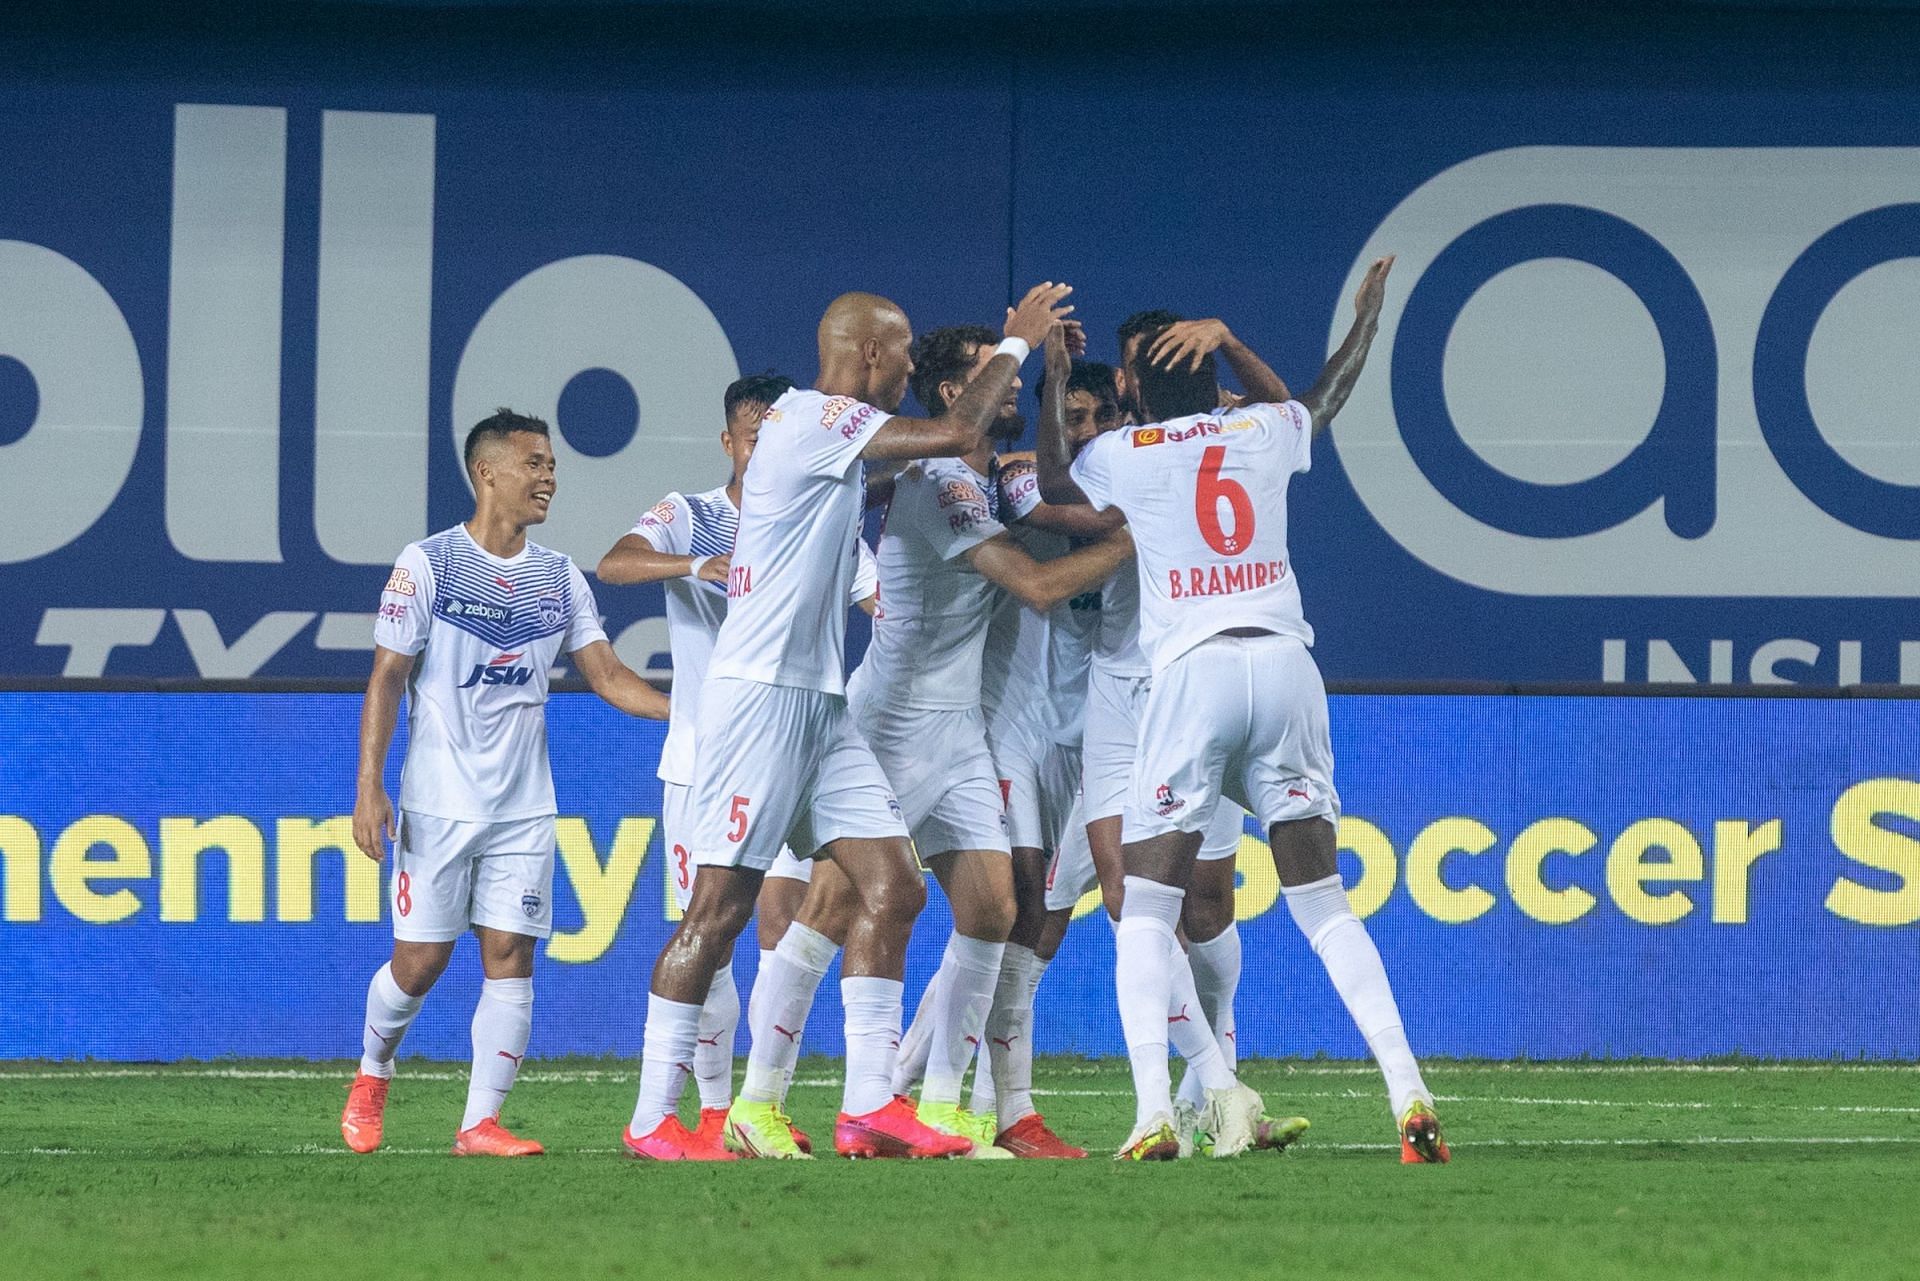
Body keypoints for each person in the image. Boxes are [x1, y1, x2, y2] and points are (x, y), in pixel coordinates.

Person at [625, 285, 1075, 1161]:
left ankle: (869, 1103)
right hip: (758, 702)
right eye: (903, 355)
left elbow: (916, 466)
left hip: (824, 705)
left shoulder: (825, 439)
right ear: (869, 354)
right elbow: (949, 434)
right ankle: (652, 1118)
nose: (910, 368)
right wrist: (1015, 345)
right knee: (715, 915)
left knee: (897, 888)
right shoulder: (807, 416)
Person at [1040, 258, 1450, 1164]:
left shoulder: (1128, 452)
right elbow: (1319, 397)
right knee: (1324, 903)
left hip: (1194, 675)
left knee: (1145, 911)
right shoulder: (1262, 431)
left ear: (1136, 386)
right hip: (1287, 665)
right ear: (1213, 373)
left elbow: (1057, 481)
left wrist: (1058, 375)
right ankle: (1408, 1089)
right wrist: (1337, 325)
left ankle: (1154, 1113)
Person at [341, 409, 671, 1157]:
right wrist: (370, 788)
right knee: (419, 963)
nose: (550, 476)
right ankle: (373, 1068)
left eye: (553, 464)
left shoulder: (558, 576)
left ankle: (478, 1123)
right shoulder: (428, 564)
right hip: (437, 801)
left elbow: (608, 674)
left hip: (524, 807)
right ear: (486, 471)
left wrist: (685, 716)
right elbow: (387, 677)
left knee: (511, 954)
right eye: (535, 462)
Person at [845, 323, 1131, 1157]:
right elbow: (1039, 541)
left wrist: (1051, 386)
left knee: (1014, 916)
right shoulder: (980, 485)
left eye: (1093, 416)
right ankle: (803, 1097)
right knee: (838, 910)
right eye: (1062, 414)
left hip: (1048, 733)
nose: (1079, 433)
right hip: (957, 726)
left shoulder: (1009, 477)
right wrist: (1144, 526)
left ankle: (941, 1099)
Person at [596, 372, 876, 1159]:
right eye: (751, 440)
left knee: (794, 917)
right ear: (729, 442)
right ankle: (701, 1109)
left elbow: (880, 601)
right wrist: (693, 565)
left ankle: (756, 1101)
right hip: (706, 763)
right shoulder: (692, 515)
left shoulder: (819, 511)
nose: (764, 453)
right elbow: (615, 563)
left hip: (797, 743)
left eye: (775, 438)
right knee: (711, 935)